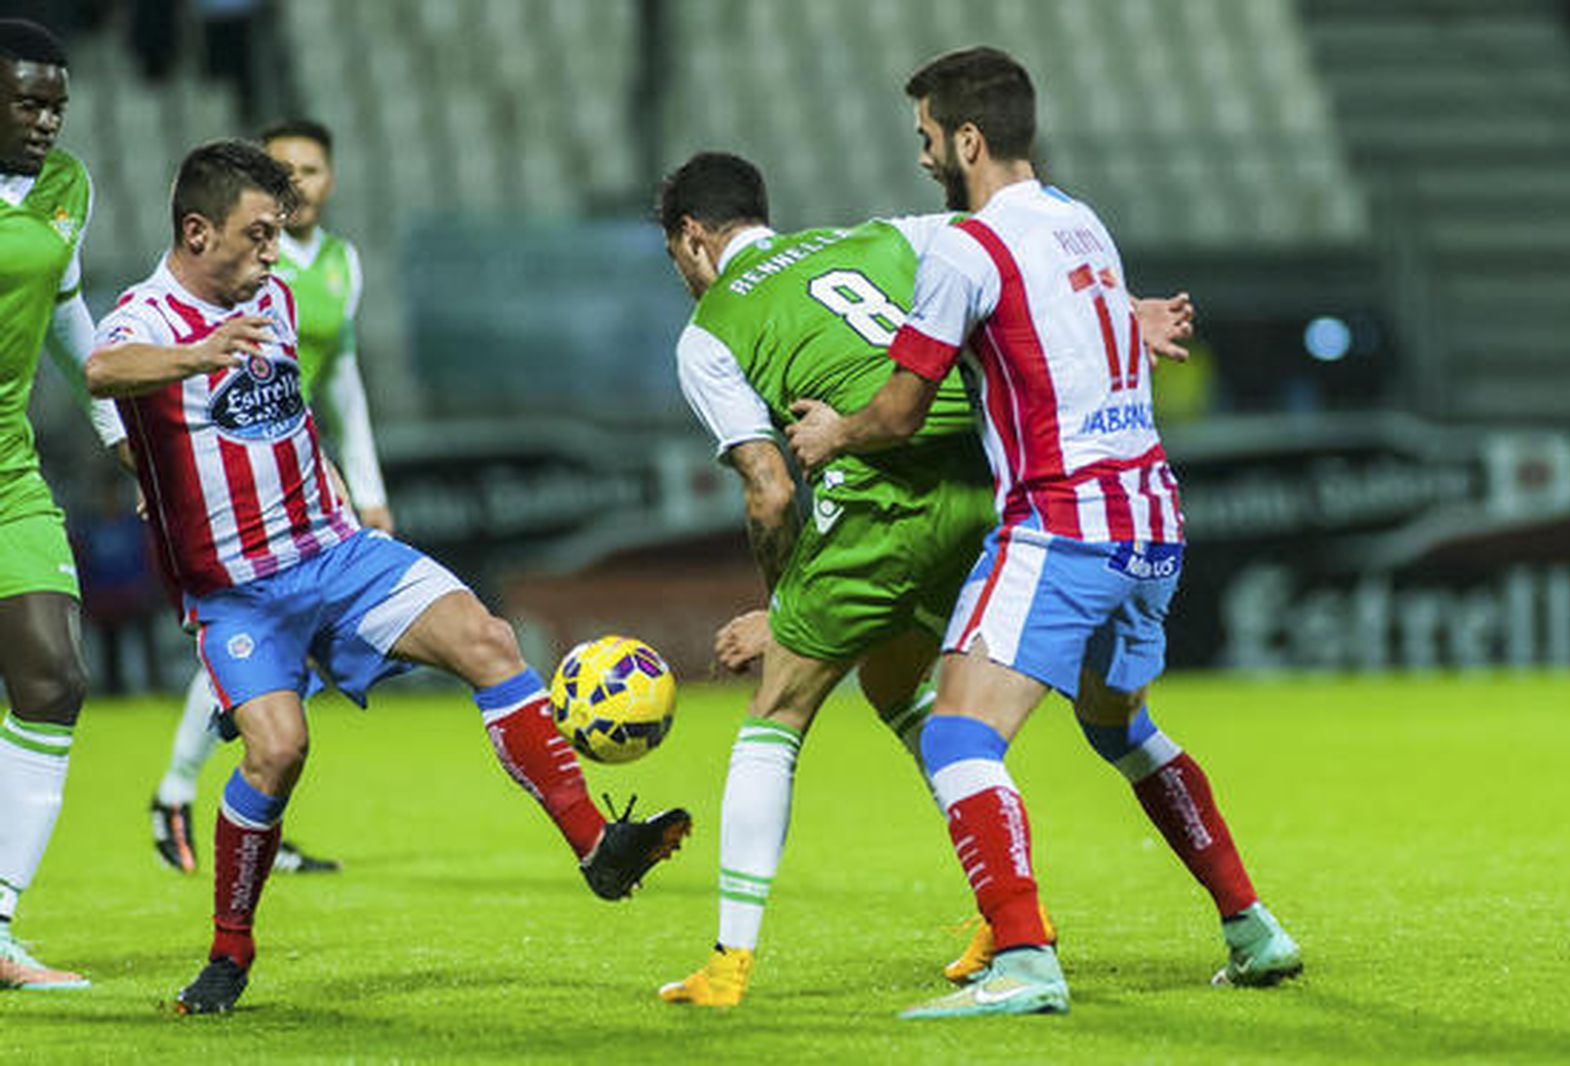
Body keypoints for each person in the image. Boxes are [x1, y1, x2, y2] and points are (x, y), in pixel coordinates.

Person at [85, 139, 691, 1015]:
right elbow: (103, 372)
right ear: (195, 230)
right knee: (278, 749)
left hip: (337, 552)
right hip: (237, 588)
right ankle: (228, 952)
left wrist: (334, 479)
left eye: (279, 233)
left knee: (489, 639)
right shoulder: (144, 320)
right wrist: (198, 354)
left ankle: (597, 847)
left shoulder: (279, 297)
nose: (272, 251)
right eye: (257, 234)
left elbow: (284, 412)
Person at [787, 47, 1301, 1019]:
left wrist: (830, 431)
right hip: (1151, 519)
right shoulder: (1080, 222)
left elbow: (899, 412)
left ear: (966, 140)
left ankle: (1023, 957)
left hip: (1061, 523)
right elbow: (1076, 320)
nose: (924, 158)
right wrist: (1132, 317)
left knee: (956, 736)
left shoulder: (965, 248)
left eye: (927, 140)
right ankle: (1250, 923)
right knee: (1121, 727)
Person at [652, 152, 1194, 1008]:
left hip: (880, 504)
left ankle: (729, 963)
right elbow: (1022, 268)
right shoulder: (887, 238)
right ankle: (1010, 916)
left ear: (691, 239)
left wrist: (782, 606)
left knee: (778, 715)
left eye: (676, 258)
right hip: (985, 489)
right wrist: (1128, 310)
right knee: (901, 683)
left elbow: (770, 490)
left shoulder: (708, 332)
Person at [149, 118, 385, 877]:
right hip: (220, 467)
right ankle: (178, 795)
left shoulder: (341, 266)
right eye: (284, 170)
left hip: (298, 472)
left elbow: (343, 380)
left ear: (331, 179)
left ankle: (237, 812)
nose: (299, 183)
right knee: (244, 640)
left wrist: (365, 485)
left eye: (311, 169)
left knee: (280, 653)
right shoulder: (240, 266)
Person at [0, 17, 124, 992]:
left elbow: (71, 319)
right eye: (26, 100)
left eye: (56, 105)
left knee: (52, 677)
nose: (46, 121)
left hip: (8, 470)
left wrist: (123, 438)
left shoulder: (64, 187)